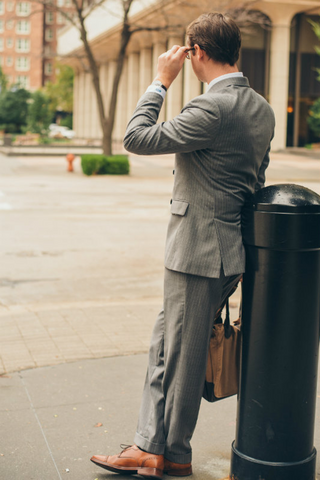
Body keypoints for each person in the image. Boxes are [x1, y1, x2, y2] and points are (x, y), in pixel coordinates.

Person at [91, 12, 275, 479]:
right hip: (225, 248)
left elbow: (136, 137)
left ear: (196, 52)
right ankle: (149, 444)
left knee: (183, 357)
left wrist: (159, 82)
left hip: (199, 251)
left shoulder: (211, 108)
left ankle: (172, 453)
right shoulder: (261, 107)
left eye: (186, 52)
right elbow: (257, 181)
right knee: (166, 345)